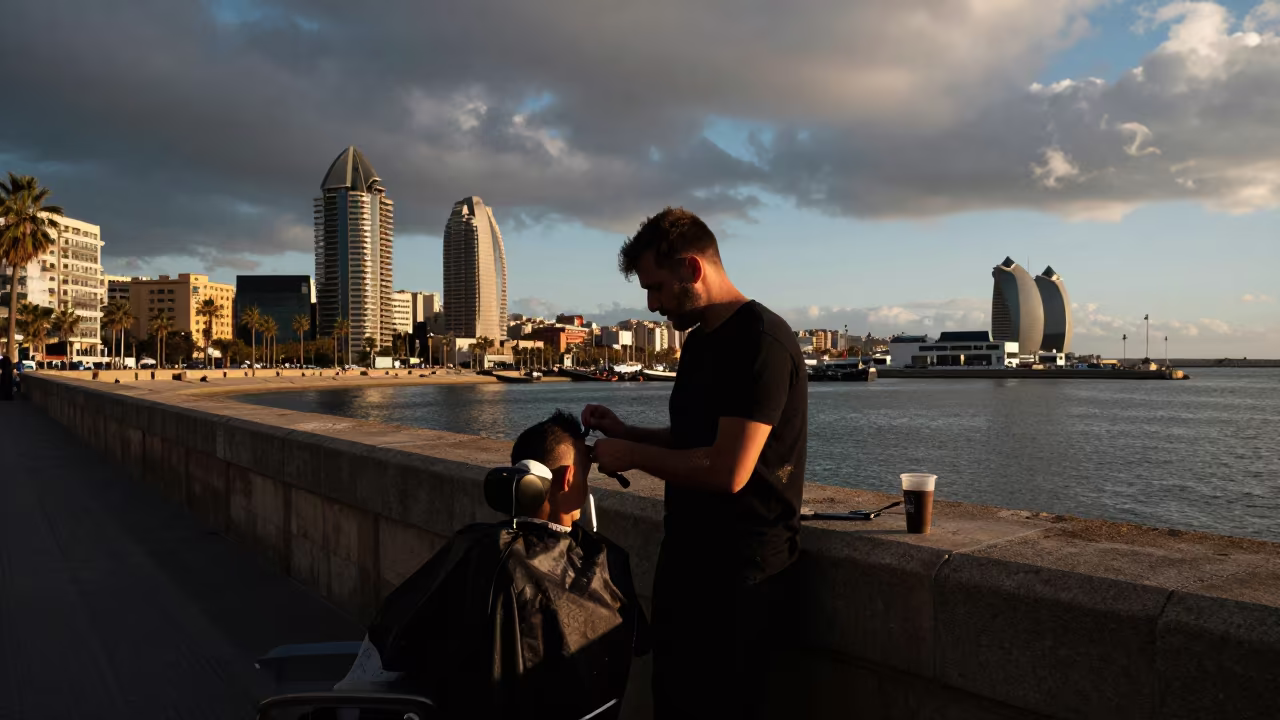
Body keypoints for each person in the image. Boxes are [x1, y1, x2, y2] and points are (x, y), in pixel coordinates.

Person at [584, 207, 808, 720]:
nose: (652, 303)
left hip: (743, 578)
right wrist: (627, 433)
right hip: (687, 564)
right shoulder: (701, 341)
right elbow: (694, 441)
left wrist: (632, 456)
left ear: (692, 268)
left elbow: (728, 470)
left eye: (657, 287)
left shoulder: (763, 343)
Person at [337, 409, 648, 720]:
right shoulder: (606, 559)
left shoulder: (479, 549)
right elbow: (637, 643)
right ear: (567, 479)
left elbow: (396, 646)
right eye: (586, 472)